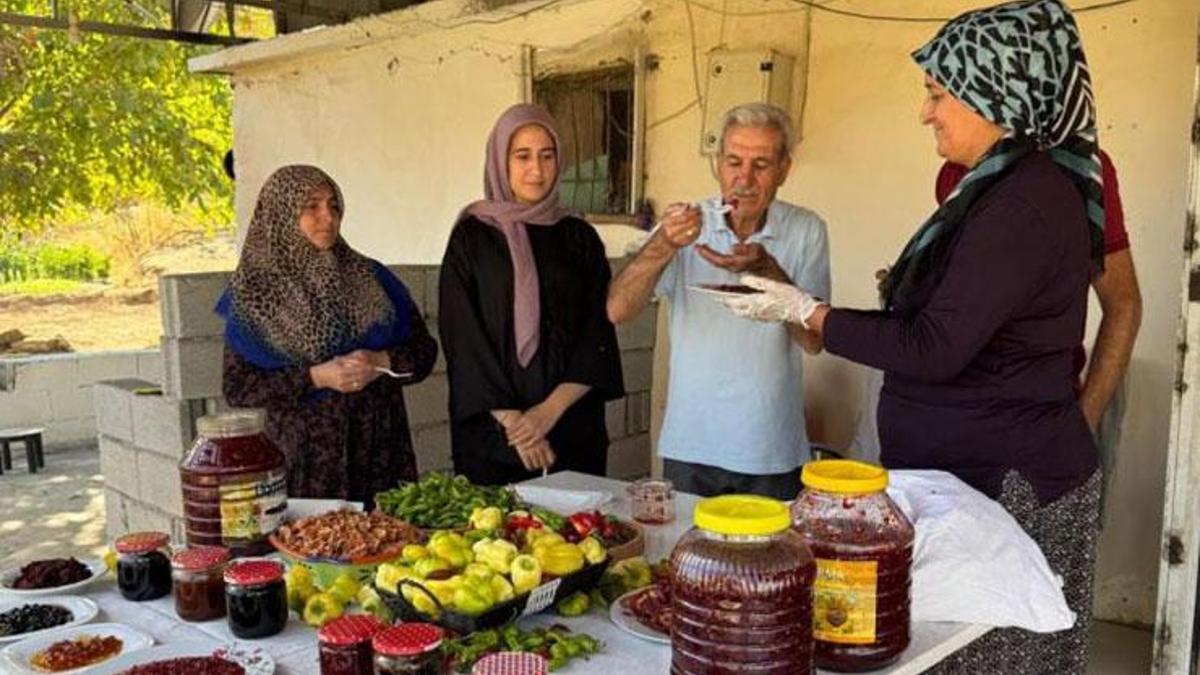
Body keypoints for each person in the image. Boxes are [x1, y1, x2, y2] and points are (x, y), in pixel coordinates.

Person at [721, 1, 1104, 671]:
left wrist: (808, 313)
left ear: (996, 90)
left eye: (937, 94)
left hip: (1007, 492)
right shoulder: (996, 188)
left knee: (991, 658)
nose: (925, 112)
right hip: (973, 481)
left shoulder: (1024, 201)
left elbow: (933, 346)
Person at [606, 102, 830, 500]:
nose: (744, 179)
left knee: (769, 561)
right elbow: (618, 310)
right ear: (717, 165)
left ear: (784, 170)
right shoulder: (686, 225)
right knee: (689, 559)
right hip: (692, 444)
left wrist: (769, 272)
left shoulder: (805, 229)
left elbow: (814, 341)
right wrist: (663, 244)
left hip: (770, 448)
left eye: (761, 164)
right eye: (733, 162)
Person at [217, 165, 437, 507]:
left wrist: (381, 361)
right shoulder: (256, 295)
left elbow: (424, 353)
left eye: (334, 206)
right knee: (313, 553)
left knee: (390, 549)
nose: (328, 217)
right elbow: (239, 387)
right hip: (307, 461)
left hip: (380, 447)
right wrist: (316, 377)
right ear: (281, 214)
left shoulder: (371, 279)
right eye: (312, 206)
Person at [438, 104, 624, 486]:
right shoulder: (471, 237)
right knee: (494, 542)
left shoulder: (579, 238)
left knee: (577, 541)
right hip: (492, 434)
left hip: (571, 429)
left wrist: (546, 414)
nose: (536, 170)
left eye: (547, 155)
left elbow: (597, 333)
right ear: (500, 160)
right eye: (522, 156)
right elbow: (463, 336)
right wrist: (517, 424)